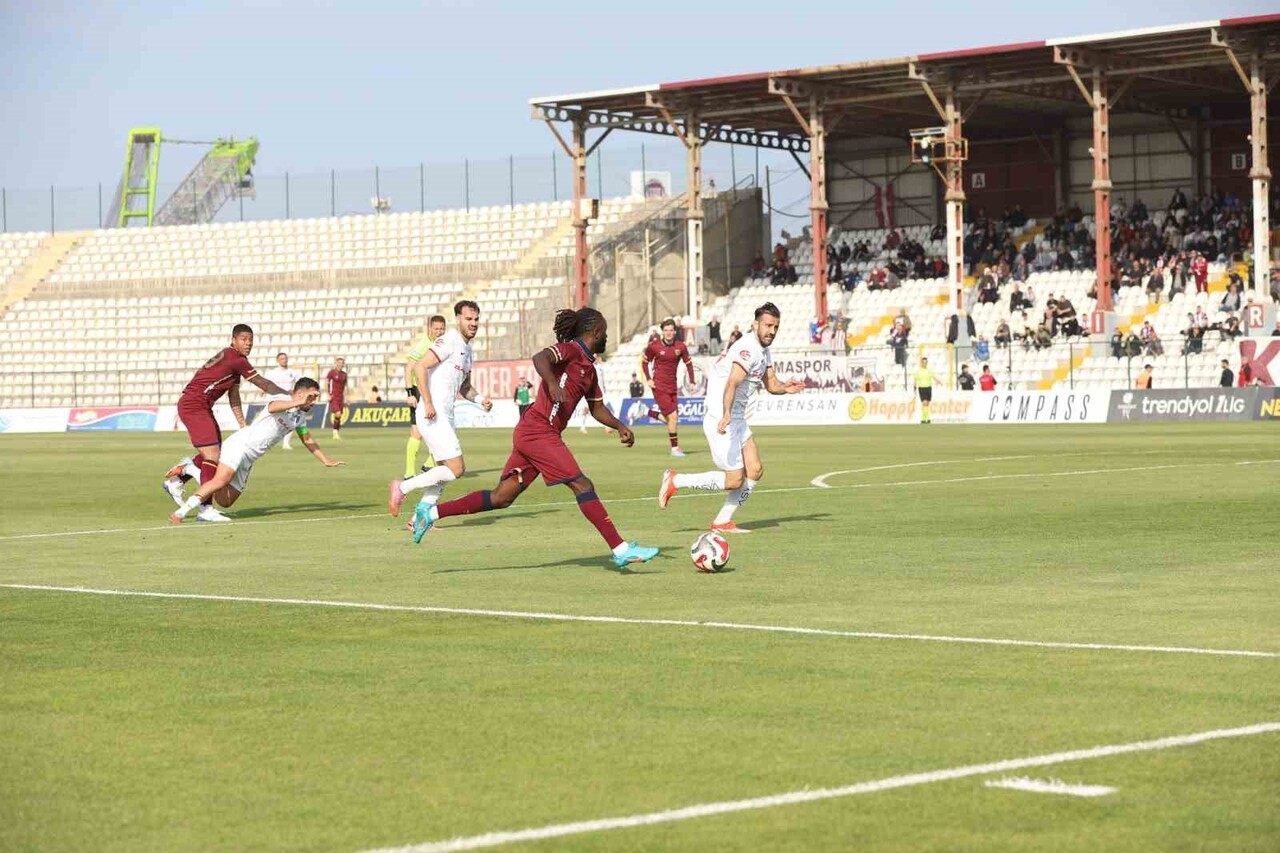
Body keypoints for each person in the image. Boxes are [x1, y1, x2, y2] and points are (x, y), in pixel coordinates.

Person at [409, 308, 659, 569]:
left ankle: (430, 513)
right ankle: (620, 549)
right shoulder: (570, 350)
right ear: (596, 332)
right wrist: (552, 384)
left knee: (501, 498)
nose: (606, 337)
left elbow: (597, 408)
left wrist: (620, 426)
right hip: (539, 431)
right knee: (582, 485)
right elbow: (540, 358)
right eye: (605, 333)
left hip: (535, 433)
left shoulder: (590, 371)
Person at [657, 302, 804, 535]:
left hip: (736, 418)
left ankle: (722, 521)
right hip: (721, 418)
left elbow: (772, 384)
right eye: (768, 325)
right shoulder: (748, 348)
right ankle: (676, 480)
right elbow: (732, 382)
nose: (772, 331)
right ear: (755, 324)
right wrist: (726, 413)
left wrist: (787, 387)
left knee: (754, 470)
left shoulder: (763, 349)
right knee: (735, 480)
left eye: (776, 327)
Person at [161, 324, 290, 522]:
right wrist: (292, 397)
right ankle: (205, 509)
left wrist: (242, 424)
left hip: (200, 406)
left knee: (215, 454)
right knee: (212, 456)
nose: (248, 343)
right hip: (194, 405)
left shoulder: (235, 360)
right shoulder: (235, 359)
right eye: (244, 339)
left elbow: (234, 395)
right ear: (234, 339)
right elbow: (263, 383)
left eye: (251, 339)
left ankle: (179, 478)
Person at [170, 378, 343, 523]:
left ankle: (191, 468)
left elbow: (307, 438)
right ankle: (181, 513)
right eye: (311, 397)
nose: (313, 402)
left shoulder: (300, 417)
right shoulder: (282, 398)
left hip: (250, 457)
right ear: (300, 394)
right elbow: (273, 407)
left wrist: (325, 460)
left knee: (226, 500)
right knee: (221, 480)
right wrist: (299, 401)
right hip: (241, 444)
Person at [388, 301, 490, 524]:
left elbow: (464, 387)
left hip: (446, 415)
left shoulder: (468, 350)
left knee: (443, 471)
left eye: (476, 319)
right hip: (432, 414)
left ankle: (417, 518)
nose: (473, 324)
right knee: (457, 469)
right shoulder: (449, 340)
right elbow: (419, 366)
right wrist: (428, 402)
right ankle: (402, 487)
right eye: (468, 319)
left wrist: (481, 400)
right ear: (458, 319)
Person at [642, 318, 696, 457]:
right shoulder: (654, 346)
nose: (668, 333)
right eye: (666, 330)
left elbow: (689, 364)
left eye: (671, 330)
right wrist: (648, 379)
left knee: (672, 418)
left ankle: (646, 412)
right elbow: (644, 362)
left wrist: (692, 381)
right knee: (673, 416)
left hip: (672, 386)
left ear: (675, 331)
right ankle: (675, 448)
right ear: (662, 332)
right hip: (659, 386)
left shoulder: (681, 347)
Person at [404, 314, 449, 478]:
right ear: (430, 328)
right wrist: (410, 393)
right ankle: (409, 472)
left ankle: (429, 464)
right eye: (436, 328)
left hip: (433, 391)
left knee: (439, 428)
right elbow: (409, 368)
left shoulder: (444, 345)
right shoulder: (424, 345)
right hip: (418, 390)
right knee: (416, 432)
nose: (439, 331)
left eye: (442, 328)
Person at [259, 351, 302, 449]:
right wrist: (262, 390)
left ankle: (286, 444)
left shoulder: (292, 372)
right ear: (278, 360)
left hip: (288, 400)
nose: (284, 360)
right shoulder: (272, 372)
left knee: (291, 421)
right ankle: (264, 442)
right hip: (275, 400)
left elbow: (300, 384)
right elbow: (265, 383)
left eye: (285, 358)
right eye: (282, 359)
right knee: (270, 423)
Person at [325, 356, 348, 441]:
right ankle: (335, 432)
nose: (341, 365)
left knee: (339, 416)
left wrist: (346, 397)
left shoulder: (344, 375)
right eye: (339, 363)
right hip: (333, 396)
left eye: (342, 363)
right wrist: (327, 394)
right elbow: (326, 382)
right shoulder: (331, 372)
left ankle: (336, 432)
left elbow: (345, 387)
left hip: (340, 398)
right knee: (337, 413)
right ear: (336, 363)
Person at [913, 356, 941, 424]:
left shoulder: (929, 370)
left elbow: (934, 377)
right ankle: (924, 419)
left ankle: (927, 418)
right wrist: (914, 387)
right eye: (923, 362)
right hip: (922, 388)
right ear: (921, 363)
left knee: (927, 404)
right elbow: (915, 380)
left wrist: (939, 381)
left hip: (928, 388)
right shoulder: (918, 371)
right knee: (924, 403)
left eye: (926, 362)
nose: (925, 364)